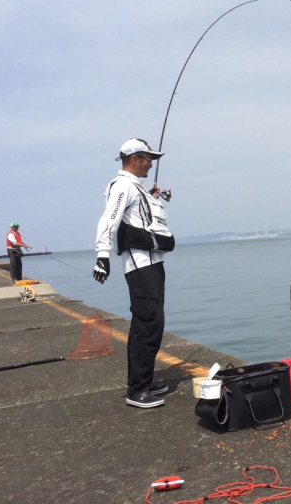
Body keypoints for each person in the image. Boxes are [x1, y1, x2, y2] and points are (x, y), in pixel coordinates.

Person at [93, 138, 175, 409]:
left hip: (152, 265)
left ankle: (145, 380)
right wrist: (102, 256)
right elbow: (109, 219)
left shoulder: (136, 188)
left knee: (151, 322)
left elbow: (140, 221)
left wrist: (152, 199)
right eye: (148, 158)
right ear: (134, 159)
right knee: (147, 324)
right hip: (140, 267)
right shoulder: (122, 186)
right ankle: (137, 390)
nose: (151, 163)